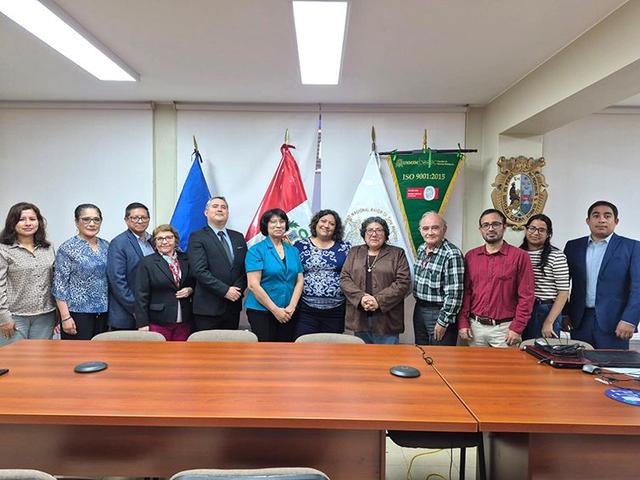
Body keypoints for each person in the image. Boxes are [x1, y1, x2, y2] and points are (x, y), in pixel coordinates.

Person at [564, 201, 640, 349]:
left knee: (611, 364)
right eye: (596, 215)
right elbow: (562, 283)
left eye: (607, 216)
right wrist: (564, 314)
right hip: (579, 321)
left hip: (616, 323)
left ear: (616, 221)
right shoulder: (573, 246)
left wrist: (630, 319)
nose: (602, 220)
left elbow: (638, 287)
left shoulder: (632, 247)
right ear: (588, 220)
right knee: (579, 362)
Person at [458, 209, 534, 347]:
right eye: (485, 225)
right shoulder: (471, 256)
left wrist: (517, 328)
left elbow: (526, 296)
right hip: (475, 328)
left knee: (507, 363)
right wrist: (463, 322)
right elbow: (466, 293)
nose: (490, 229)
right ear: (480, 230)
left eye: (495, 224)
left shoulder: (520, 256)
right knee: (475, 362)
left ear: (504, 227)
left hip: (505, 330)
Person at [340, 216, 411, 344]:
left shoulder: (397, 253)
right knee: (362, 355)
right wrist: (361, 298)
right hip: (360, 317)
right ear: (364, 234)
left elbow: (403, 282)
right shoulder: (354, 252)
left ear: (385, 234)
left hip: (387, 318)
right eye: (370, 230)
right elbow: (345, 278)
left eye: (379, 230)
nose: (374, 234)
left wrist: (378, 300)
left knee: (387, 355)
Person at [0, 202, 56, 346]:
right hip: (14, 316)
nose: (28, 223)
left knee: (42, 357)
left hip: (46, 315)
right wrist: (3, 317)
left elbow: (54, 280)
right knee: (14, 358)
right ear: (12, 223)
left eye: (32, 219)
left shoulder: (48, 247)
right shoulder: (3, 249)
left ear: (39, 222)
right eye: (21, 219)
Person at [188, 196, 247, 331]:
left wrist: (237, 290)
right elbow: (199, 271)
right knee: (206, 345)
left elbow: (244, 269)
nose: (220, 209)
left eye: (223, 207)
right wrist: (225, 291)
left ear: (227, 213)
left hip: (233, 306)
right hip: (208, 308)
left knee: (231, 344)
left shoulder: (238, 237)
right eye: (215, 206)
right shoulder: (197, 237)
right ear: (206, 212)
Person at [245, 208, 304, 342]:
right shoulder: (256, 250)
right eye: (273, 222)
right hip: (262, 311)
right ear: (266, 225)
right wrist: (275, 310)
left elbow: (299, 280)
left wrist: (292, 306)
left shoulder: (293, 250)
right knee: (265, 352)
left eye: (282, 221)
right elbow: (253, 285)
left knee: (286, 351)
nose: (278, 225)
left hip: (289, 311)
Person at [53, 204, 109, 340]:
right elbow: (59, 285)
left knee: (102, 351)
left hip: (104, 313)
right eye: (86, 219)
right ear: (76, 222)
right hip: (77, 314)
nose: (92, 223)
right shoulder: (67, 248)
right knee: (78, 352)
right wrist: (65, 317)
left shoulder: (106, 246)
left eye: (96, 220)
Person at [293, 209, 351, 338]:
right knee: (304, 344)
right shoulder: (300, 246)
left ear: (336, 228)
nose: (326, 225)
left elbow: (352, 275)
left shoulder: (345, 247)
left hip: (336, 310)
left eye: (332, 223)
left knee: (332, 347)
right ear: (316, 223)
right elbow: (293, 274)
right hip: (305, 309)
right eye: (323, 221)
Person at [412, 212, 464, 346]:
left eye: (435, 228)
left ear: (444, 229)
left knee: (440, 355)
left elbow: (454, 294)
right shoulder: (421, 249)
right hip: (419, 309)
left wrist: (443, 321)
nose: (430, 232)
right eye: (425, 228)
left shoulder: (452, 254)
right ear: (420, 230)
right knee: (421, 352)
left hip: (439, 313)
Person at [135, 225, 194, 341]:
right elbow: (141, 295)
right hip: (158, 322)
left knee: (182, 352)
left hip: (184, 320)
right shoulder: (147, 263)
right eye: (160, 239)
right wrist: (142, 323)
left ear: (175, 240)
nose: (165, 242)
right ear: (155, 242)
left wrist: (190, 289)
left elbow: (195, 282)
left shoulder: (186, 259)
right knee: (159, 352)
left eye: (169, 237)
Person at [520, 214, 569, 339]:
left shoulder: (556, 256)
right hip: (522, 309)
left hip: (545, 310)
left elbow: (563, 293)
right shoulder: (518, 254)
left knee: (543, 349)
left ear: (548, 234)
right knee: (521, 348)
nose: (536, 233)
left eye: (541, 230)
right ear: (526, 229)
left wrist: (549, 322)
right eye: (532, 228)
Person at [107, 202, 154, 331]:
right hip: (127, 313)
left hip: (152, 311)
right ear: (126, 220)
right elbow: (117, 280)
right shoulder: (119, 243)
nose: (140, 221)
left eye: (144, 217)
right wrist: (137, 310)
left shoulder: (153, 241)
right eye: (135, 218)